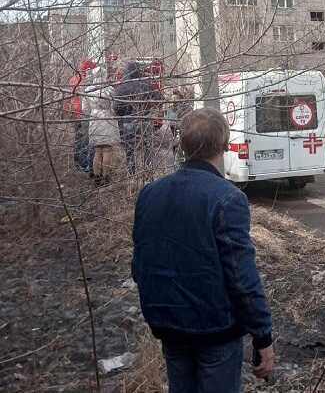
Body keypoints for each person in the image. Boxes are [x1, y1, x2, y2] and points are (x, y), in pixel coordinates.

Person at [132, 108, 275, 392]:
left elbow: (139, 263)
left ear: (182, 145)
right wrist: (263, 336)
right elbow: (242, 276)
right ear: (224, 144)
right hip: (214, 328)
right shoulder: (228, 198)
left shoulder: (150, 192)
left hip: (167, 322)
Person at [113, 61, 163, 175]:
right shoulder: (146, 84)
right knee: (147, 147)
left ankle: (132, 174)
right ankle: (148, 172)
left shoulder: (121, 87)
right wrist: (149, 108)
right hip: (144, 119)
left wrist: (123, 115)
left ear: (126, 72)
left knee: (130, 150)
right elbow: (159, 99)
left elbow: (116, 107)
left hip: (127, 121)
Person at [84, 67, 119, 186]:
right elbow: (114, 107)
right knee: (107, 150)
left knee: (97, 151)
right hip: (107, 119)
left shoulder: (87, 90)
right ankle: (106, 177)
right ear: (105, 75)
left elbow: (85, 109)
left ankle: (97, 177)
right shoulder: (109, 89)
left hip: (94, 119)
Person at [64, 59, 97, 173]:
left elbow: (68, 97)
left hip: (75, 113)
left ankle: (77, 162)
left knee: (78, 139)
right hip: (83, 114)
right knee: (84, 140)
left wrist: (68, 110)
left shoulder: (73, 79)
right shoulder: (86, 81)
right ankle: (83, 165)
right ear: (88, 69)